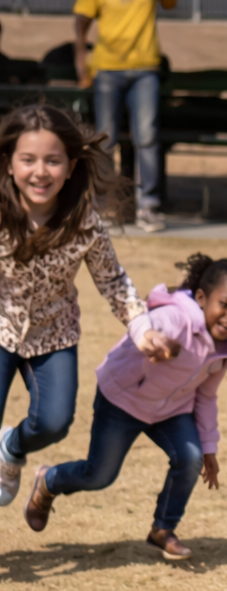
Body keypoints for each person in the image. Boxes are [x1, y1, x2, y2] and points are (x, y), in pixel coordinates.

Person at [23, 253, 227, 561]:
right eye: (226, 304)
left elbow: (206, 397)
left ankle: (162, 529)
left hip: (171, 410)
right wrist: (157, 342)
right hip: (122, 401)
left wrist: (209, 448)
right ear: (203, 298)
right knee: (99, 475)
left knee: (190, 457)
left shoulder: (226, 350)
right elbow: (148, 326)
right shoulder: (175, 318)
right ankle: (49, 480)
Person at [0, 104, 173, 512]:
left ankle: (11, 446)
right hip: (0, 327)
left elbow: (114, 282)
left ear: (71, 165)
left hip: (55, 335)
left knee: (55, 423)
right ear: (9, 164)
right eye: (28, 160)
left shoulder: (85, 224)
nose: (40, 171)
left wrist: (142, 328)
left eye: (52, 160)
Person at [73, 0, 181, 233]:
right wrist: (82, 63)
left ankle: (148, 206)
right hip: (108, 70)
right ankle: (108, 206)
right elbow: (80, 24)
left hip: (145, 69)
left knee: (146, 137)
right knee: (106, 139)